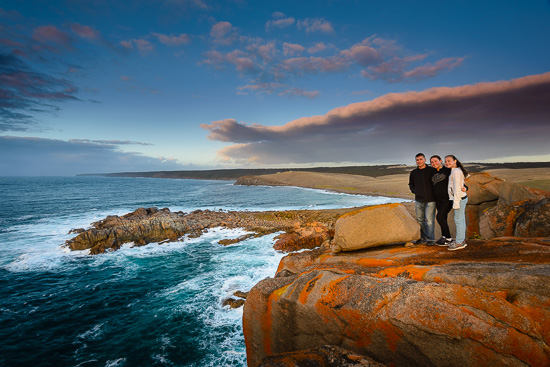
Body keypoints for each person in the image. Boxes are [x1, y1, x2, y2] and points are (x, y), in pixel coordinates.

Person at [408, 153, 436, 245]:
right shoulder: (413, 173)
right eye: (417, 160)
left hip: (431, 199)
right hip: (418, 199)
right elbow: (411, 184)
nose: (419, 161)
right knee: (420, 219)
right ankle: (423, 238)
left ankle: (431, 239)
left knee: (429, 220)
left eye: (420, 159)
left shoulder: (432, 170)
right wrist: (415, 191)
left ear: (425, 160)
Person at [445, 154, 469, 251]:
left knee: (458, 220)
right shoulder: (456, 171)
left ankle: (459, 242)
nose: (447, 163)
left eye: (449, 161)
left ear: (455, 161)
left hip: (459, 199)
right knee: (461, 220)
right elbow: (461, 185)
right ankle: (461, 240)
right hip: (461, 198)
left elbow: (457, 188)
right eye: (445, 161)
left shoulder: (456, 172)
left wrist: (456, 203)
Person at [430, 155, 454, 246]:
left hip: (447, 199)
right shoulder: (432, 171)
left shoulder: (448, 170)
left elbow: (457, 179)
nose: (434, 163)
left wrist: (464, 187)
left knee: (439, 217)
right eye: (432, 162)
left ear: (440, 161)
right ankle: (444, 237)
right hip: (438, 200)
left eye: (436, 161)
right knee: (443, 218)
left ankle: (449, 238)